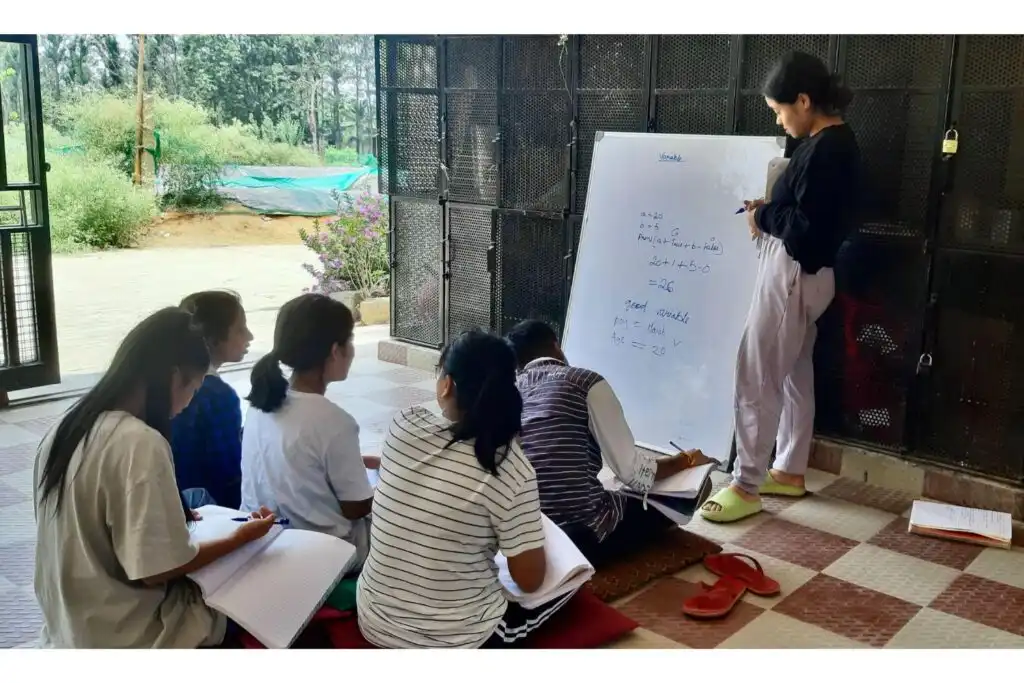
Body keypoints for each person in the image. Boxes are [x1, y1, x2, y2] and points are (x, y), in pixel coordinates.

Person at [33, 308, 278, 648]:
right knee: (264, 589)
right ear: (174, 377)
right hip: (129, 632)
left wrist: (170, 517)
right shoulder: (139, 442)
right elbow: (156, 570)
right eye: (193, 388)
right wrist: (241, 537)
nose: (188, 403)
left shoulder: (66, 427)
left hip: (69, 628)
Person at [701, 51, 861, 523]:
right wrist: (770, 209)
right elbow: (807, 212)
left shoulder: (826, 150)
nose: (779, 120)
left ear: (804, 101)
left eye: (779, 110)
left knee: (757, 371)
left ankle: (746, 484)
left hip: (793, 273)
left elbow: (806, 229)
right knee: (793, 372)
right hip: (808, 276)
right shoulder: (830, 143)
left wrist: (763, 214)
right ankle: (789, 470)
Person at [357, 330, 570, 649]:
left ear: (446, 385)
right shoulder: (511, 468)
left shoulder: (403, 426)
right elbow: (529, 581)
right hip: (456, 639)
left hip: (373, 620)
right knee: (570, 587)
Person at [506, 320, 712, 567]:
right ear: (556, 346)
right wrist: (686, 460)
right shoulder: (585, 381)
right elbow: (634, 474)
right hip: (584, 534)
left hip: (530, 537)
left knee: (610, 488)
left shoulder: (510, 391)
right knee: (700, 484)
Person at [241, 293, 374, 570]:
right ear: (335, 351)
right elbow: (357, 507)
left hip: (263, 541)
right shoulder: (333, 421)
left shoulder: (260, 403)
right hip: (323, 554)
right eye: (350, 340)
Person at [170, 290, 253, 510]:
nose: (250, 336)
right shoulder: (218, 396)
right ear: (213, 338)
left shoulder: (169, 382)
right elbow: (230, 475)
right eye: (240, 329)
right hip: (209, 510)